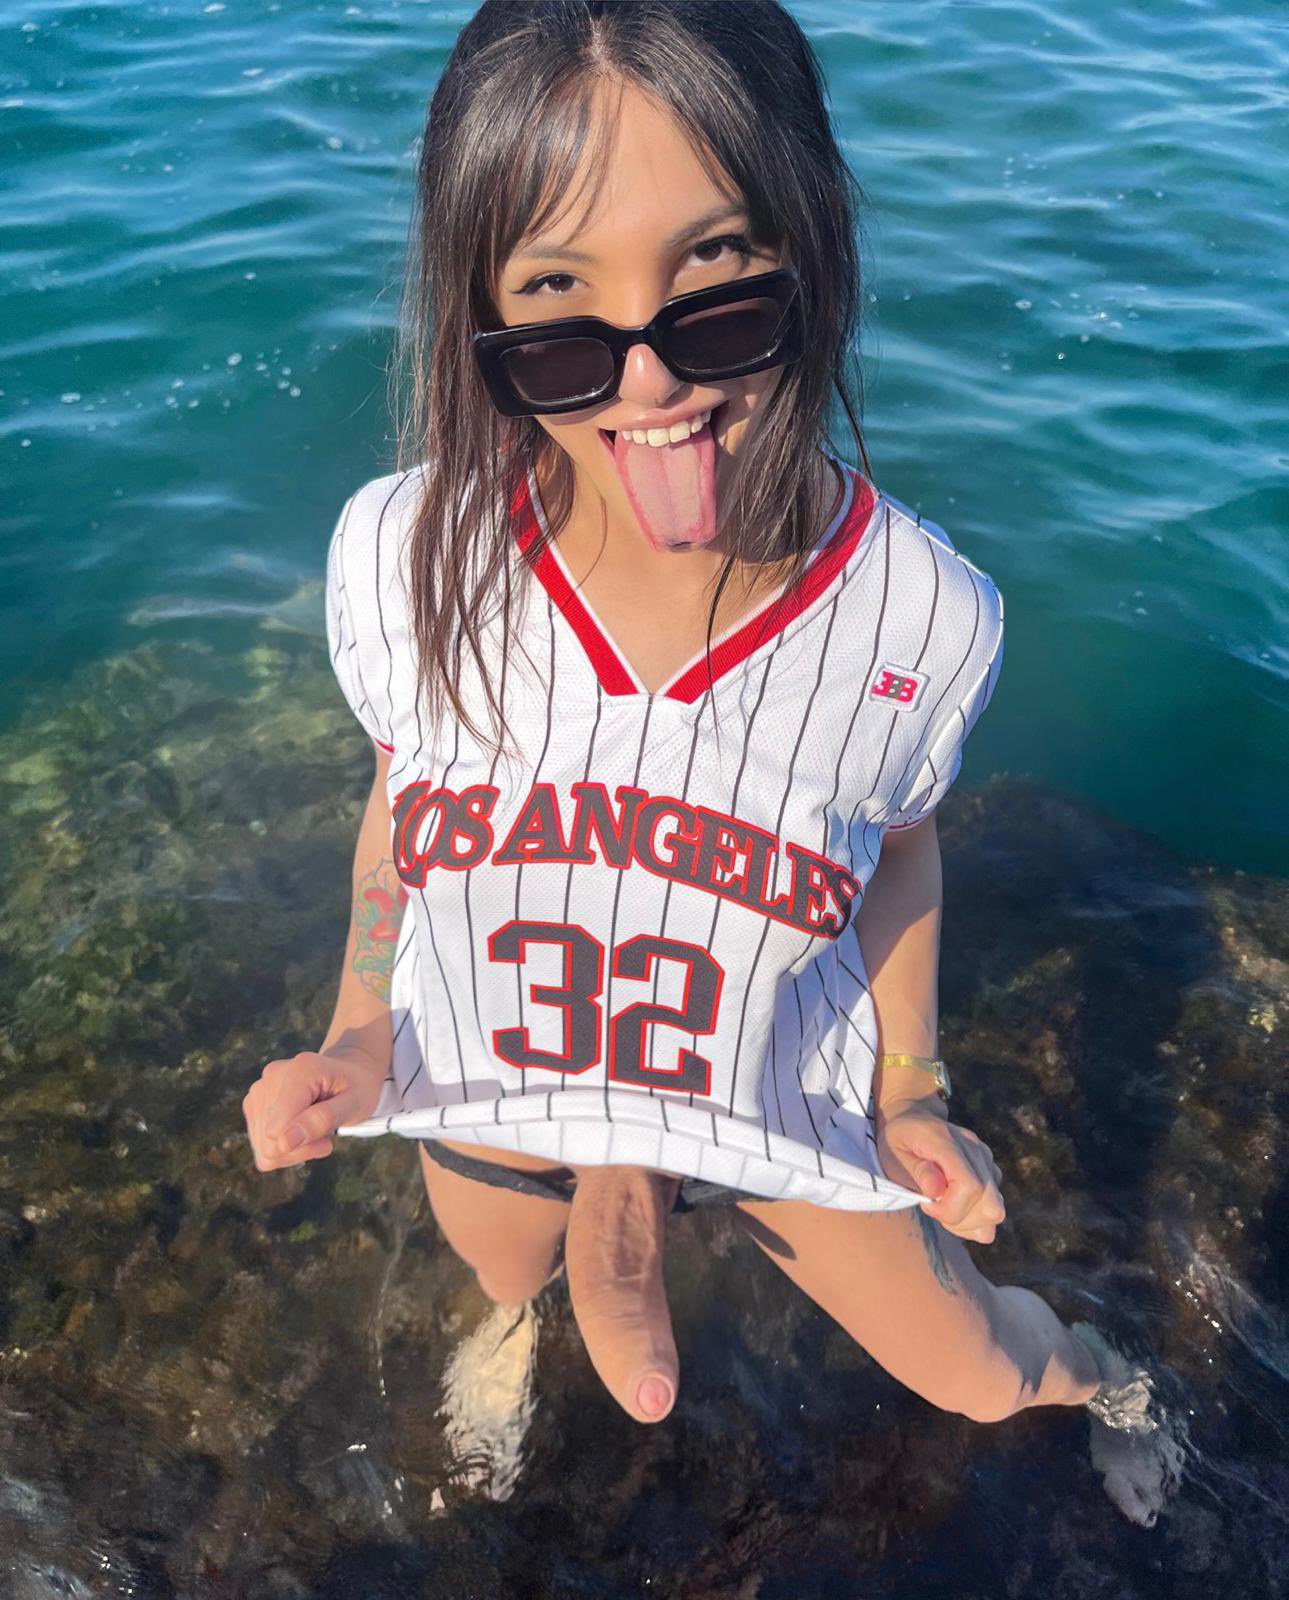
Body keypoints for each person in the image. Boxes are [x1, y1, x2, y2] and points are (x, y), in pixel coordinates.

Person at [243, 0, 1154, 1442]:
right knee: (503, 1271)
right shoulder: (405, 556)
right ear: (479, 312)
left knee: (981, 1375)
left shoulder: (917, 618)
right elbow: (404, 801)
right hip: (494, 1068)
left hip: (767, 1091)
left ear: (810, 244)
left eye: (717, 277)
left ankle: (1110, 1378)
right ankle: (523, 1314)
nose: (651, 381)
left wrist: (909, 1093)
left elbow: (900, 846)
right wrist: (360, 1036)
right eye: (556, 303)